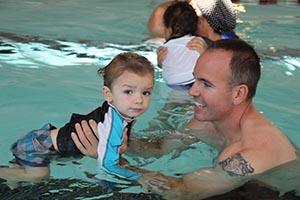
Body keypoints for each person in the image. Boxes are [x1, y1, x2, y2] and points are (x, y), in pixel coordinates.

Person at [71, 40, 297, 199]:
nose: (192, 91)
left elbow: (180, 192)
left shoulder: (250, 155)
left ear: (238, 94)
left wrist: (111, 160)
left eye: (205, 84)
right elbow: (159, 148)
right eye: (194, 79)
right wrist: (113, 140)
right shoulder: (207, 120)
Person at [0, 52, 155, 182]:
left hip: (46, 144)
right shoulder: (112, 122)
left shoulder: (121, 112)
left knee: (15, 182)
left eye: (146, 92)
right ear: (108, 94)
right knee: (39, 176)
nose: (139, 100)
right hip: (37, 148)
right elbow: (108, 165)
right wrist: (139, 177)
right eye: (128, 91)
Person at [160, 1, 201, 88]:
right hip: (196, 81)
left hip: (174, 84)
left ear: (169, 29)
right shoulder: (198, 42)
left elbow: (165, 66)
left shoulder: (164, 48)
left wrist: (159, 63)